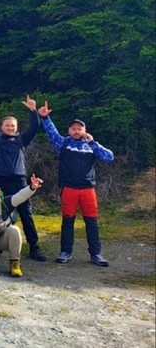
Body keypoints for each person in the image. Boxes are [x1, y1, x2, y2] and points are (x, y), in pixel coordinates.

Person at [38, 103, 114, 266]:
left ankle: (96, 254)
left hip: (88, 189)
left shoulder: (91, 146)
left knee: (92, 222)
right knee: (67, 221)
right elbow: (51, 133)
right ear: (69, 131)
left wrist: (93, 143)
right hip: (69, 188)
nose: (76, 131)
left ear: (84, 131)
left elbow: (109, 158)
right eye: (73, 129)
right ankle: (65, 252)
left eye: (79, 129)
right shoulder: (63, 143)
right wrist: (45, 117)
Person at [0, 95, 47, 262]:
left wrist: (33, 110)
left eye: (13, 126)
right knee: (0, 215)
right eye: (7, 125)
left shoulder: (21, 140)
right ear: (2, 127)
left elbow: (34, 127)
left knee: (26, 214)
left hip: (20, 182)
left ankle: (34, 247)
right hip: (1, 183)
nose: (10, 128)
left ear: (17, 128)